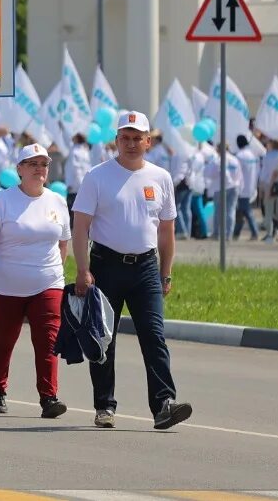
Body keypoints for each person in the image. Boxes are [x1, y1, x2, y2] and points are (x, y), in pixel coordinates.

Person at [73, 110, 192, 430]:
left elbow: (166, 231)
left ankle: (164, 404)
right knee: (103, 338)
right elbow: (81, 226)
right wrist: (82, 269)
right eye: (125, 138)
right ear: (116, 141)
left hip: (145, 269)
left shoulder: (160, 177)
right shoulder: (97, 176)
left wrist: (165, 273)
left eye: (137, 138)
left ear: (148, 142)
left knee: (154, 336)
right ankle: (104, 405)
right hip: (105, 266)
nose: (131, 143)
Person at [0, 143, 70, 419]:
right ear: (19, 169)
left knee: (48, 341)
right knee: (4, 340)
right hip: (5, 285)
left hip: (47, 282)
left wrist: (57, 275)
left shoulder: (57, 200)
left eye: (44, 165)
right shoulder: (4, 201)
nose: (40, 169)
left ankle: (49, 397)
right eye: (33, 164)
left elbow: (63, 242)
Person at [234, 134, 261, 241]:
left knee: (246, 211)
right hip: (251, 186)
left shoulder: (239, 156)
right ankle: (236, 233)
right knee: (240, 211)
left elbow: (237, 173)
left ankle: (255, 232)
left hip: (242, 187)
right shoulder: (253, 155)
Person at [66, 133, 92, 210]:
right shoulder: (85, 151)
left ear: (77, 138)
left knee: (73, 212)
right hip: (84, 185)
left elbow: (75, 168)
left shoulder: (74, 151)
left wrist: (71, 184)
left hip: (74, 187)